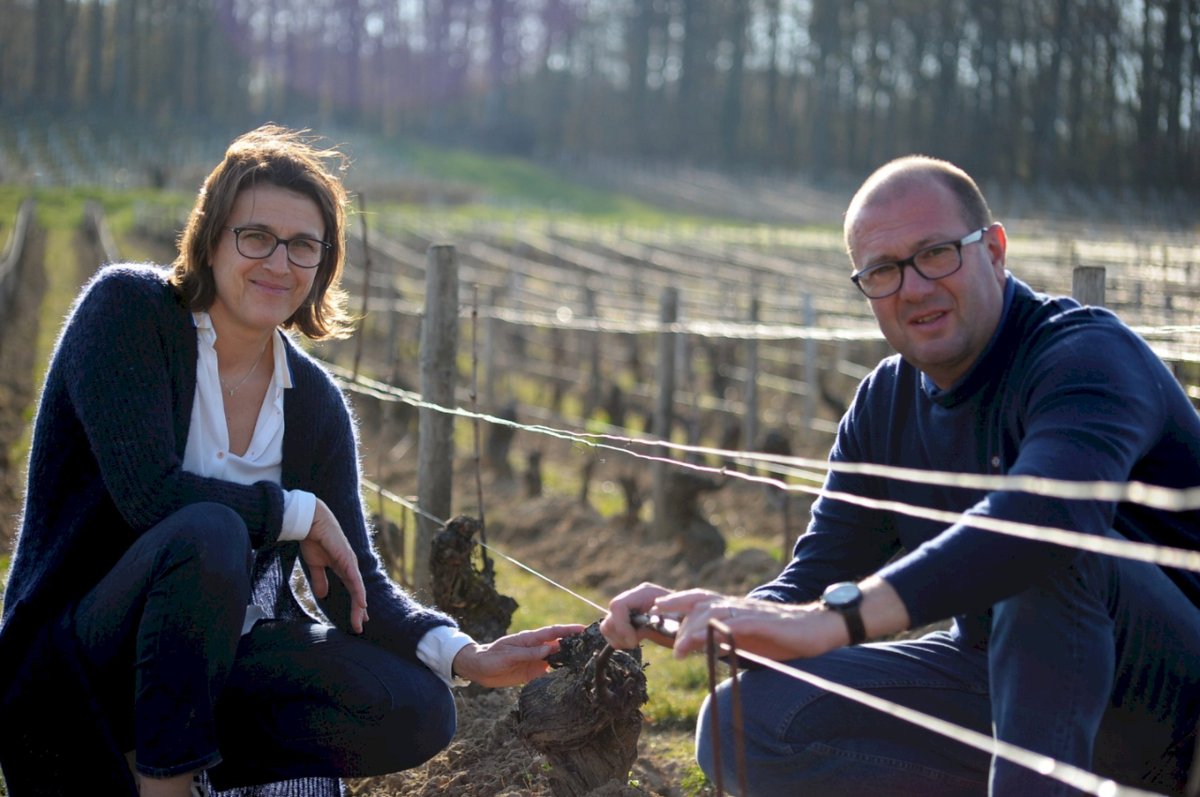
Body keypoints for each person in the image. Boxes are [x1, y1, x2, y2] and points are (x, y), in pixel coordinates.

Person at [0, 124, 582, 797]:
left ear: (323, 265)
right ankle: (165, 784)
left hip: (218, 670)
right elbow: (149, 495)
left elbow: (355, 582)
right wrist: (294, 511)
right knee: (211, 531)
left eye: (303, 245)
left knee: (420, 706)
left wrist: (465, 653)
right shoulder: (128, 311)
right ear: (210, 240)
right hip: (78, 667)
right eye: (256, 236)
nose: (279, 262)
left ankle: (181, 760)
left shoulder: (311, 403)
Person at [602, 155, 1200, 796]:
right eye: (883, 271)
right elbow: (818, 577)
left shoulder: (1084, 355)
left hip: (1175, 705)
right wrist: (724, 619)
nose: (913, 288)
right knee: (743, 722)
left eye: (936, 253)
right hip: (1005, 686)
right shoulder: (884, 404)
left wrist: (830, 622)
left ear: (994, 250)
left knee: (1046, 553)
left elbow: (1045, 519)